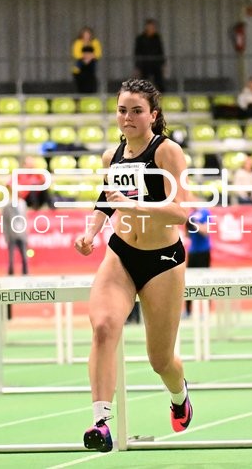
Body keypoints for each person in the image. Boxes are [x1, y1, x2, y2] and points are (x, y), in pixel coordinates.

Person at [74, 79, 192, 452]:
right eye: (122, 110)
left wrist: (134, 204)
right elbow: (105, 199)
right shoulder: (112, 157)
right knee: (104, 327)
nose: (128, 117)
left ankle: (179, 396)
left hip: (162, 261)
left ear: (153, 116)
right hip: (121, 253)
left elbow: (182, 212)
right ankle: (100, 422)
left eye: (137, 110)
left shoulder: (167, 152)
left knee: (160, 360)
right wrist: (90, 231)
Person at [185, 202, 211, 316]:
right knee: (189, 281)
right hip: (193, 251)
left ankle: (206, 310)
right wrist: (188, 225)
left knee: (205, 280)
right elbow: (187, 235)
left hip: (203, 251)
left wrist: (194, 224)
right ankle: (188, 310)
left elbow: (206, 231)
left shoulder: (205, 212)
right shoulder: (190, 214)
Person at [2, 184, 29, 276]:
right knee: (11, 257)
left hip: (22, 233)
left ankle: (25, 273)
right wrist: (6, 236)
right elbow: (5, 222)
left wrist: (26, 233)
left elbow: (25, 218)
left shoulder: (23, 204)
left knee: (24, 256)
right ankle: (11, 273)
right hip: (12, 234)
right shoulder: (7, 207)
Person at [134, 19, 166, 91]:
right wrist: (137, 66)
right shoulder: (140, 38)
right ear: (146, 27)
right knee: (143, 83)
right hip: (144, 64)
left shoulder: (157, 38)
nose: (152, 29)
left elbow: (160, 51)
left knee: (159, 82)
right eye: (150, 27)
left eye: (153, 27)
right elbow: (137, 52)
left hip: (155, 64)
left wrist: (163, 64)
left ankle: (162, 97)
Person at [72, 26, 102, 94]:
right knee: (80, 84)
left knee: (91, 84)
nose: (87, 36)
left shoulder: (95, 42)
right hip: (80, 68)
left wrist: (90, 57)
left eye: (88, 34)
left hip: (91, 68)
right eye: (85, 34)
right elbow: (76, 54)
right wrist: (86, 57)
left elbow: (98, 54)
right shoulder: (78, 42)